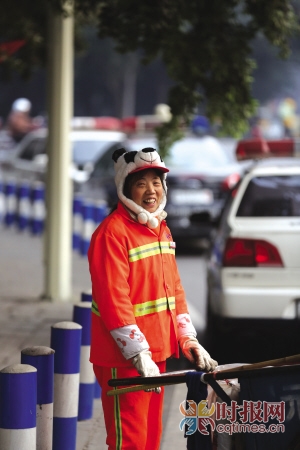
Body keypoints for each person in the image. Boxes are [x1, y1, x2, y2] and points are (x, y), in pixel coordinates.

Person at [88, 147, 218, 450]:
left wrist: (189, 340)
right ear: (125, 189)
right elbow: (113, 299)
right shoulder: (112, 233)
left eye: (156, 182)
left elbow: (174, 290)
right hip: (124, 359)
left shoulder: (160, 229)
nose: (151, 190)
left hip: (154, 357)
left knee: (149, 440)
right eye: (141, 182)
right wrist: (137, 353)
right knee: (129, 442)